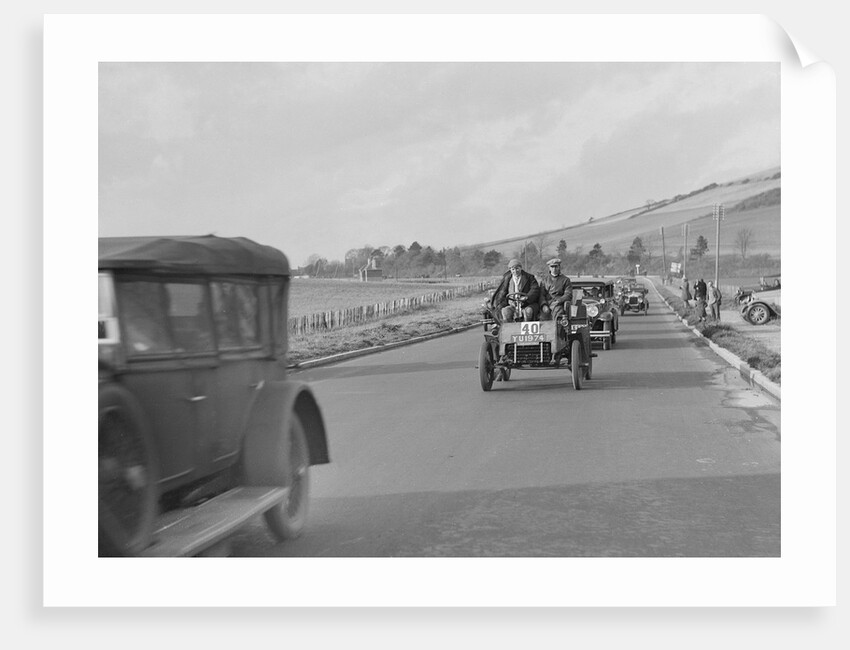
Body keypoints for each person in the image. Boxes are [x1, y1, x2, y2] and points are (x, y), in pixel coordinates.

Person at [538, 258, 572, 323]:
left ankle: (557, 331)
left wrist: (558, 301)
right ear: (549, 268)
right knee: (541, 315)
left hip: (559, 304)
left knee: (558, 312)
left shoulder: (565, 280)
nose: (554, 269)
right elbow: (541, 295)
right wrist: (544, 305)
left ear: (559, 267)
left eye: (556, 266)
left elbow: (568, 294)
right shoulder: (544, 280)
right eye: (552, 267)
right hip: (547, 303)